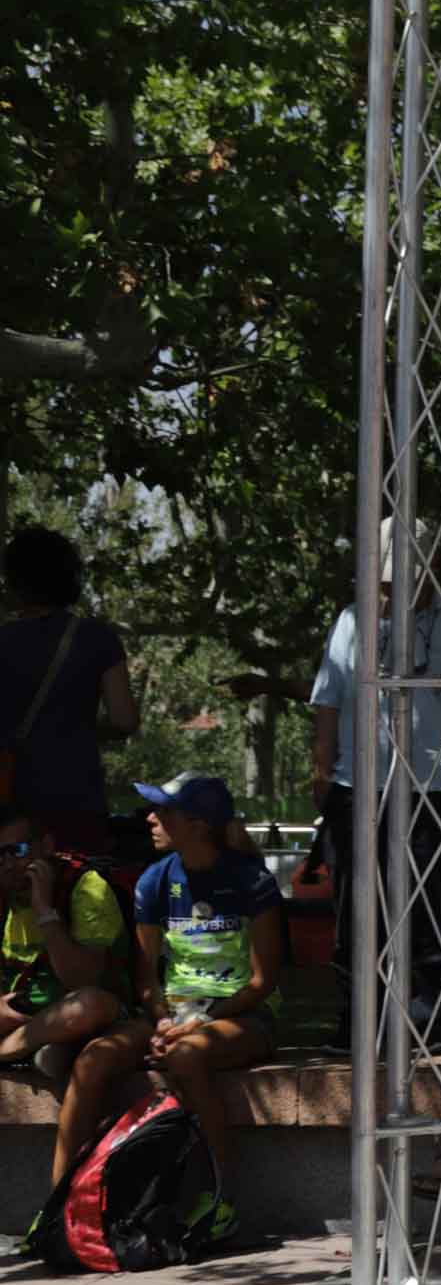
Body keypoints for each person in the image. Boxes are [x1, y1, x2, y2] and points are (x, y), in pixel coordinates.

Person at [62, 774, 283, 1242]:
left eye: (162, 811)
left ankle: (223, 1198)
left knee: (186, 1056)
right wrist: (163, 1018)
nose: (150, 819)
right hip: (173, 1016)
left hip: (239, 1016)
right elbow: (146, 978)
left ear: (198, 825)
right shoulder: (153, 880)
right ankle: (61, 1206)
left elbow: (263, 982)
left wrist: (200, 1020)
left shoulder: (252, 882)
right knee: (93, 1058)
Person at [310, 516, 441, 1033]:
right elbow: (327, 702)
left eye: (404, 576)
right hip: (358, 787)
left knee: (431, 904)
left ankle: (432, 1015)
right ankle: (359, 1018)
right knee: (357, 905)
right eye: (388, 577)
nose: (395, 587)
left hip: (434, 787)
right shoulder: (353, 620)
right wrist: (323, 772)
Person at [0, 806, 130, 1203]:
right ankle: (30, 1046)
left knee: (84, 1005)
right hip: (26, 1016)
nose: (9, 863)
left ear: (46, 847)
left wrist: (44, 911)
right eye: (0, 854)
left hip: (94, 1015)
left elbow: (83, 981)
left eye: (18, 850)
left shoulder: (86, 888)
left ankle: (10, 1051)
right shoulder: (6, 893)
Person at [0, 526, 137, 856]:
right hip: (76, 800)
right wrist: (77, 724)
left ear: (14, 581)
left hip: (9, 802)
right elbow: (124, 720)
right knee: (76, 893)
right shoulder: (96, 638)